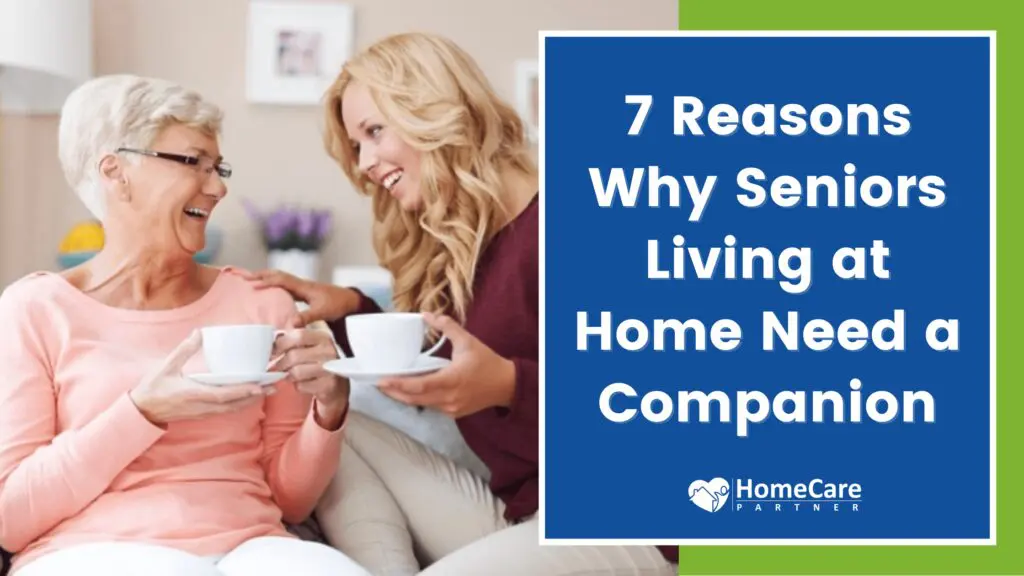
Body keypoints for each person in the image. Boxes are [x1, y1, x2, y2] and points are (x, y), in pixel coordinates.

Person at [244, 32, 679, 575]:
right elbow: (448, 360)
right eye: (357, 146)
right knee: (334, 418)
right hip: (528, 513)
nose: (364, 164)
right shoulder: (474, 246)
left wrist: (509, 385)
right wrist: (347, 309)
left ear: (432, 108)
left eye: (374, 132)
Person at [0, 75, 370, 576]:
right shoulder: (36, 309)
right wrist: (141, 410)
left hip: (251, 547)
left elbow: (289, 500)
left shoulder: (260, 304)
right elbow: (11, 516)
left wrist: (330, 407)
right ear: (116, 172)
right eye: (193, 162)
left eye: (219, 168)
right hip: (90, 550)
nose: (218, 187)